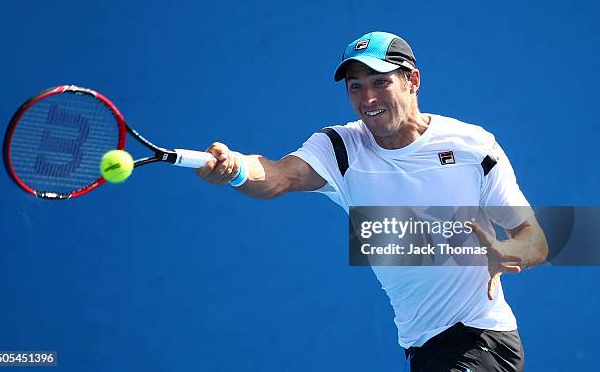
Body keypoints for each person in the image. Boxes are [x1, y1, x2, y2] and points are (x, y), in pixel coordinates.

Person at [195, 31, 548, 372]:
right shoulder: (340, 148)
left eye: (381, 82)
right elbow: (277, 176)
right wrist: (236, 168)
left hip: (483, 338)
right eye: (355, 86)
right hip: (422, 347)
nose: (368, 98)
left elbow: (535, 238)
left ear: (413, 80)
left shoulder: (473, 147)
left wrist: (510, 251)